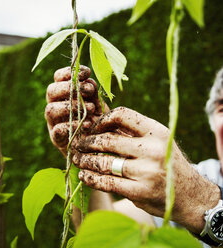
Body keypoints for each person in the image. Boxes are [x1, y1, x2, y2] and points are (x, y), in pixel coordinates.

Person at [45, 65, 223, 247]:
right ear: (211, 121)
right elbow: (105, 238)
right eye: (222, 108)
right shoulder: (200, 174)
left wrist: (202, 202)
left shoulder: (190, 185)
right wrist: (82, 157)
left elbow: (193, 193)